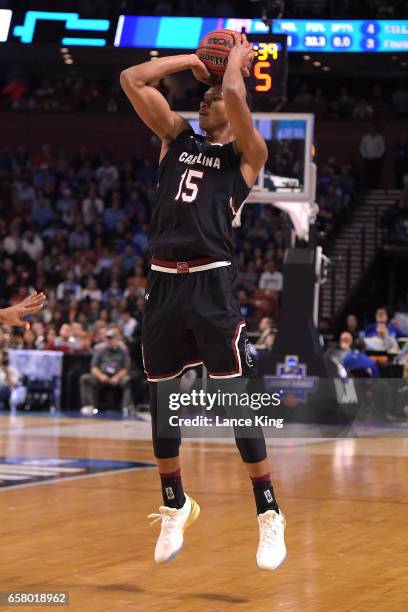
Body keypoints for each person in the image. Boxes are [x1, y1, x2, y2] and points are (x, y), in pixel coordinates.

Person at [120, 32, 285, 571]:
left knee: (236, 399)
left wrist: (233, 67)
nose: (208, 98)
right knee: (162, 400)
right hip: (164, 282)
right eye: (205, 94)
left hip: (211, 281)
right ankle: (174, 504)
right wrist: (197, 60)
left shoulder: (248, 152)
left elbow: (237, 100)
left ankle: (268, 514)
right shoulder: (177, 139)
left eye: (216, 95)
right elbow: (132, 79)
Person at [80, 328, 133, 416]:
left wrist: (117, 377)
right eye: (108, 339)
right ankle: (88, 405)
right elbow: (93, 367)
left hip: (117, 378)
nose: (109, 341)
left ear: (117, 339)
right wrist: (100, 376)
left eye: (111, 338)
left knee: (127, 380)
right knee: (85, 378)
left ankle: (126, 406)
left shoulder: (123, 352)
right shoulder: (101, 351)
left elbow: (126, 368)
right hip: (102, 378)